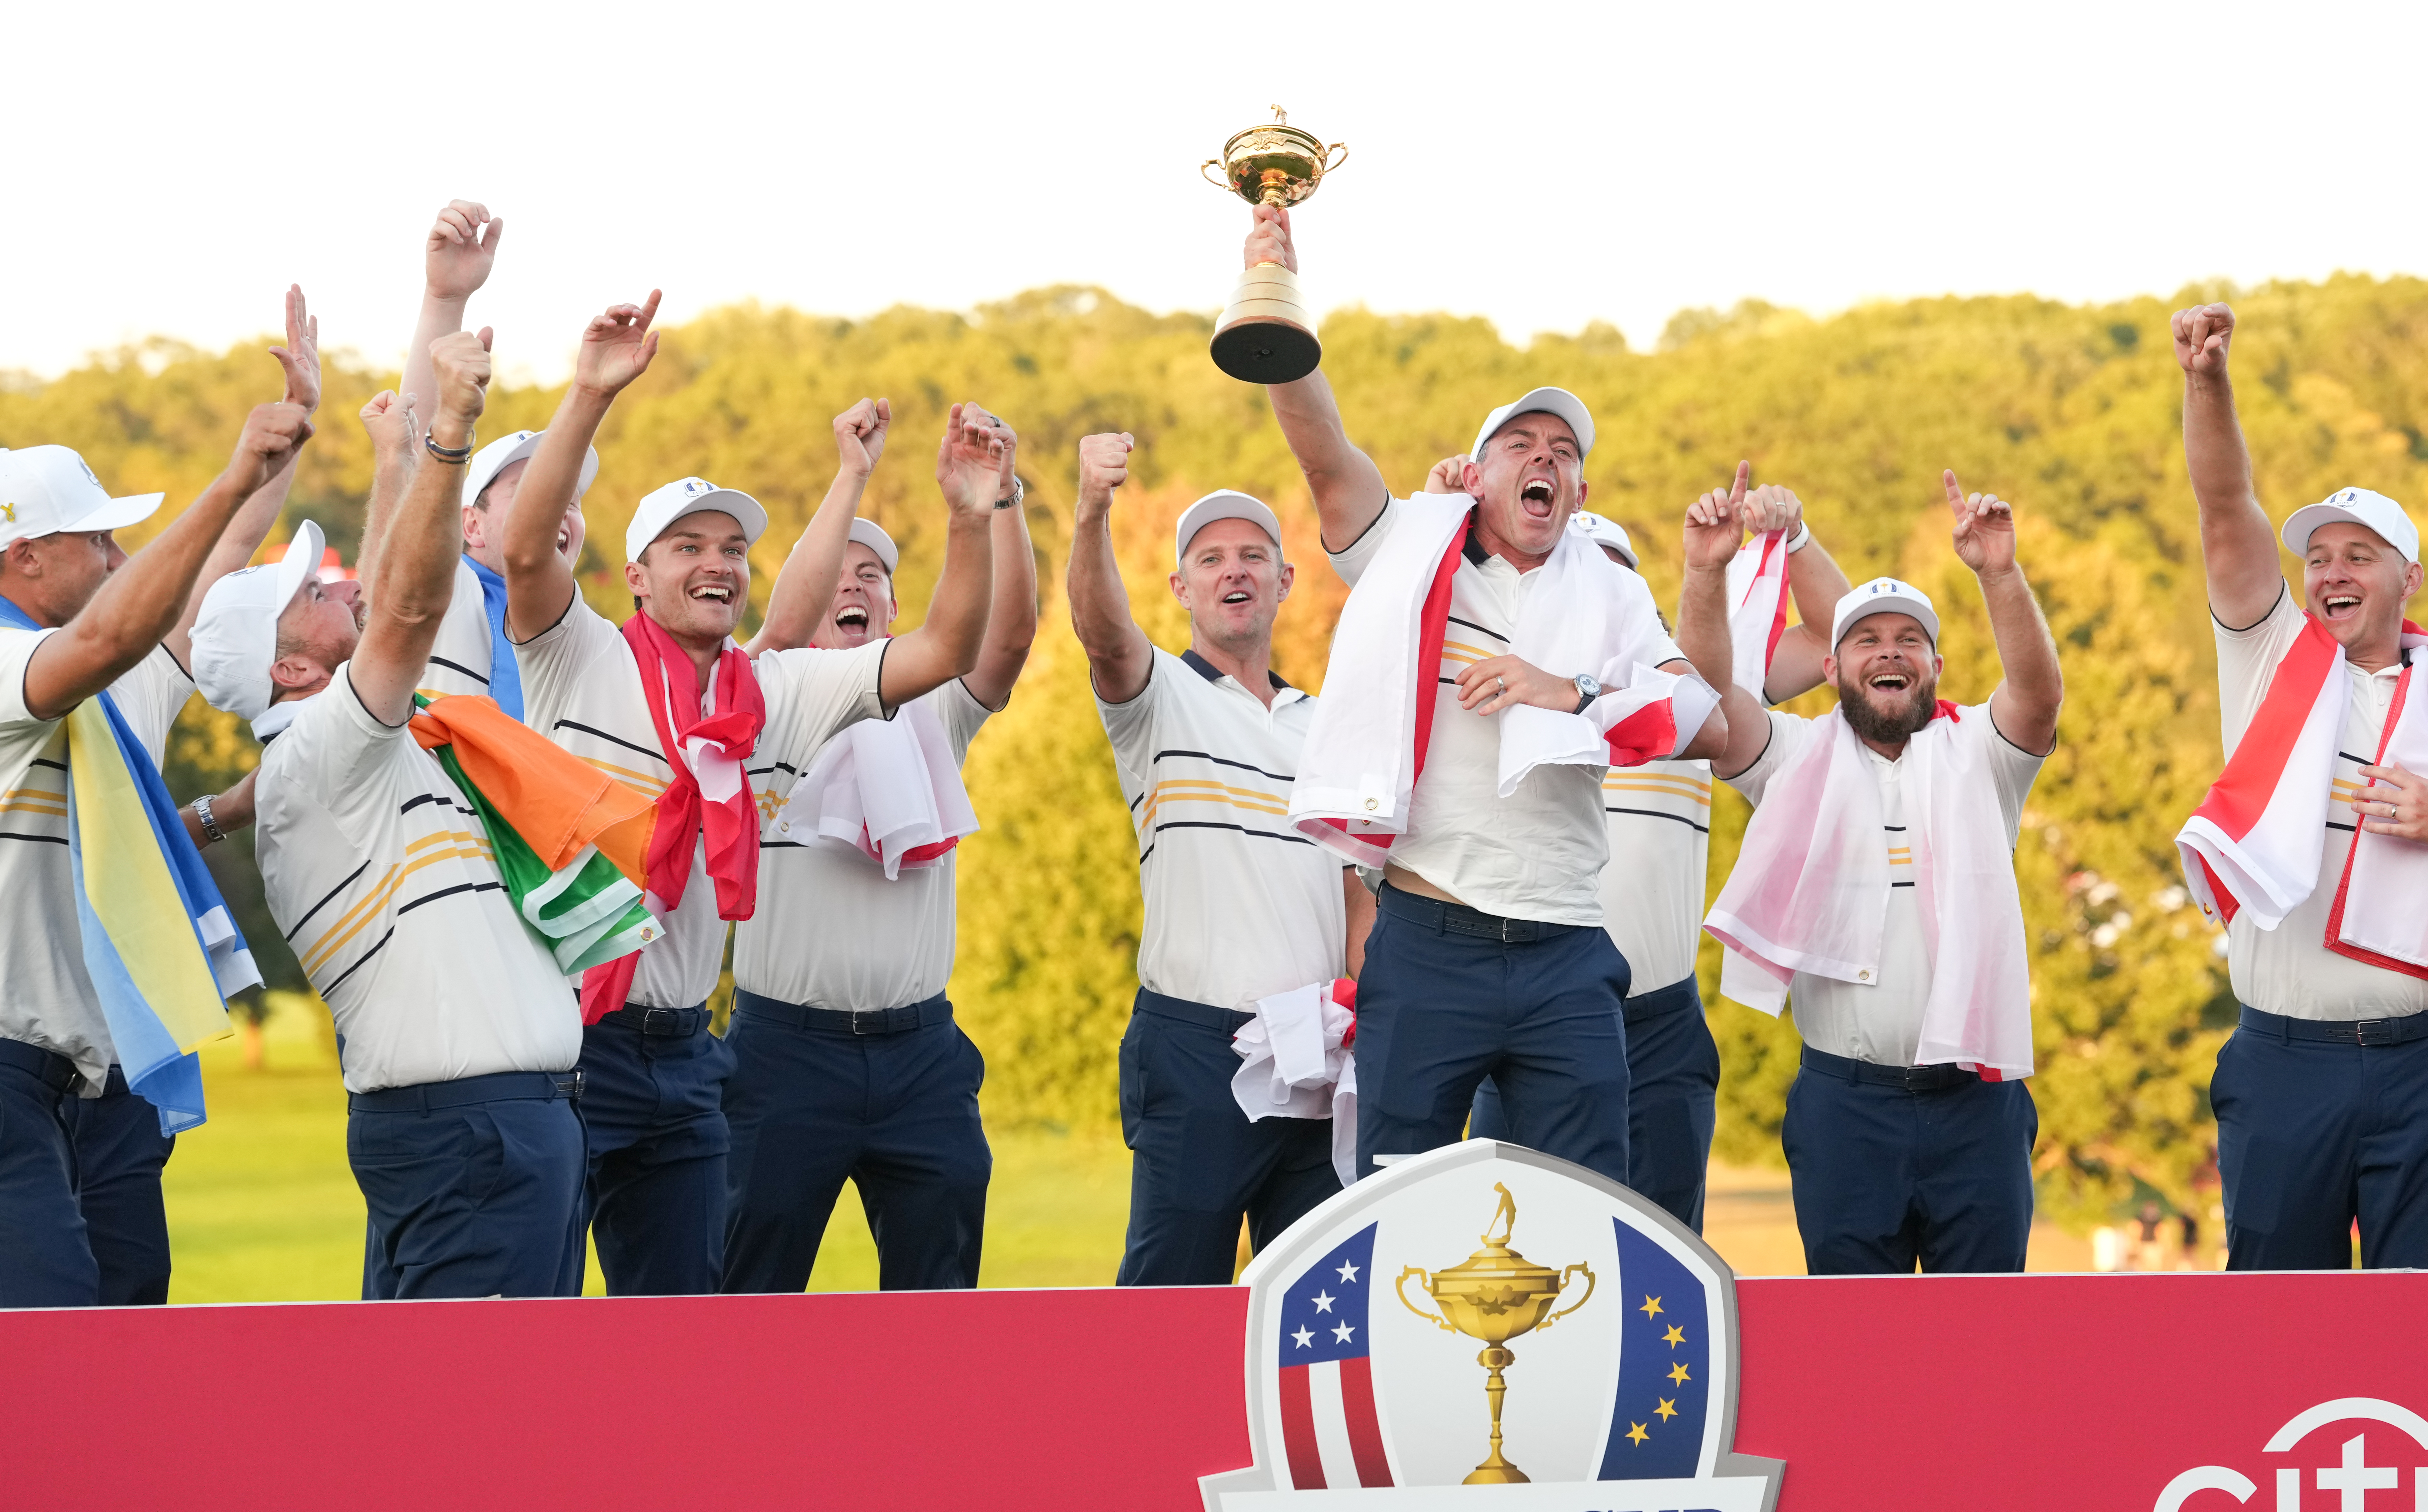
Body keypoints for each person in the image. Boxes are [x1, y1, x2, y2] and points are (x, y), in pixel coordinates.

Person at [497, 291, 1011, 1296]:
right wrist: (590, 396)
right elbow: (523, 552)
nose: (716, 564)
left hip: (685, 1061)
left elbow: (947, 647)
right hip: (567, 1044)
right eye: (688, 547)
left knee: (696, 1334)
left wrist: (968, 517)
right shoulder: (577, 658)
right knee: (544, 1324)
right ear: (636, 578)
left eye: (732, 550)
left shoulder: (771, 691)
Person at [1244, 206, 1727, 1182]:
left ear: (1581, 495)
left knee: (1584, 1214)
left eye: (1564, 450)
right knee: (1394, 1202)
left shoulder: (1614, 590)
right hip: (1429, 940)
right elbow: (1321, 450)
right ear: (1478, 475)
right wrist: (1275, 305)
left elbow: (1696, 716)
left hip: (1566, 951)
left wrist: (1569, 691)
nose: (1545, 457)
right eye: (1521, 443)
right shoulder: (1416, 557)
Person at [195, 333, 603, 1297]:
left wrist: (398, 457)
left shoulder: (349, 748)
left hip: (485, 1125)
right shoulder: (326, 746)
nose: (338, 581)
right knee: (475, 1424)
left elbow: (391, 598)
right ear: (292, 671)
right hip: (472, 1131)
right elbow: (409, 609)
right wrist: (447, 436)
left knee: (466, 1416)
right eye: (311, 594)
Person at [2170, 302, 2428, 1271]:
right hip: (2286, 1061)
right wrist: (2204, 381)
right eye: (2317, 559)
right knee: (2269, 1330)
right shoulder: (2268, 666)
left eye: (2356, 556)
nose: (2329, 573)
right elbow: (2222, 512)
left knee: (2427, 1333)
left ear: (2406, 578)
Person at [0, 295, 319, 1306]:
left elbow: (212, 574)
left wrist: (277, 458)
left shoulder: (103, 671)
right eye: (100, 542)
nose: (120, 560)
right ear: (24, 557)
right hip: (12, 1070)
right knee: (53, 1346)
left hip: (93, 1070)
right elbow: (101, 641)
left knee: (125, 1326)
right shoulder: (31, 664)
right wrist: (229, 472)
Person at [1691, 471, 2063, 1274]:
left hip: (1975, 1105)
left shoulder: (1979, 754)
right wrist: (1706, 573)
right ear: (1832, 667)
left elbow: (2036, 697)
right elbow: (1711, 700)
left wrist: (1998, 574)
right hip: (1844, 1107)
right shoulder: (1789, 758)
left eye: (1907, 640)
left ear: (1934, 665)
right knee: (1852, 1348)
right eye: (1866, 639)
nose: (1888, 652)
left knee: (1985, 1342)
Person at [1454, 482, 1849, 1228]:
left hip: (1658, 1022)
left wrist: (1794, 541)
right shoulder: (1501, 690)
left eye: (1611, 577)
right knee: (1523, 1246)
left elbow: (1841, 646)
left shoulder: (1696, 689)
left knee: (1663, 1263)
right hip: (1527, 1008)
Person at [715, 415, 1040, 1293]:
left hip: (920, 1055)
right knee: (745, 1299)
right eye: (837, 575)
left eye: (874, 577)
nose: (853, 587)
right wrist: (852, 472)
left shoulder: (931, 708)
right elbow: (777, 635)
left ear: (896, 610)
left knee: (937, 1308)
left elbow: (1002, 642)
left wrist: (992, 507)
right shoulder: (760, 697)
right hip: (783, 1054)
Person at [1064, 435, 1372, 1283]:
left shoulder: (1326, 724)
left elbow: (1357, 894)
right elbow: (1100, 629)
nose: (1231, 571)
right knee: (1169, 1301)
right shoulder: (1156, 695)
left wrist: (1367, 1017)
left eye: (1252, 556)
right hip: (1199, 1045)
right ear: (1180, 589)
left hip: (1319, 1041)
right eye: (1209, 559)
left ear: (1284, 582)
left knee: (1312, 1312)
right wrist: (1092, 507)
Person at [392, 199, 598, 713]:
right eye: (529, 494)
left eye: (569, 500)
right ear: (472, 527)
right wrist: (445, 298)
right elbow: (415, 472)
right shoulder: (450, 595)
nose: (557, 510)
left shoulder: (594, 637)